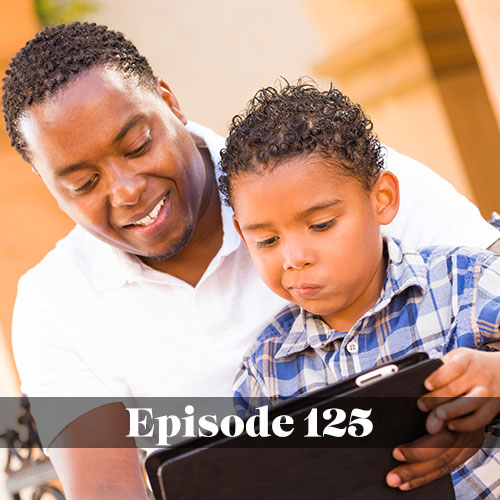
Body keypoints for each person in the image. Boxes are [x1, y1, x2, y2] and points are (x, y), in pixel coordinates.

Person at [2, 22, 499, 499]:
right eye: (83, 184)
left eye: (137, 146)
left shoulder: (336, 178)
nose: (126, 189)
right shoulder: (53, 304)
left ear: (169, 102)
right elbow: (107, 491)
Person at [222, 82, 500, 499]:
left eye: (320, 226)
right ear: (244, 235)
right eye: (267, 241)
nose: (294, 257)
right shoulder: (266, 373)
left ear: (382, 199)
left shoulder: (466, 282)